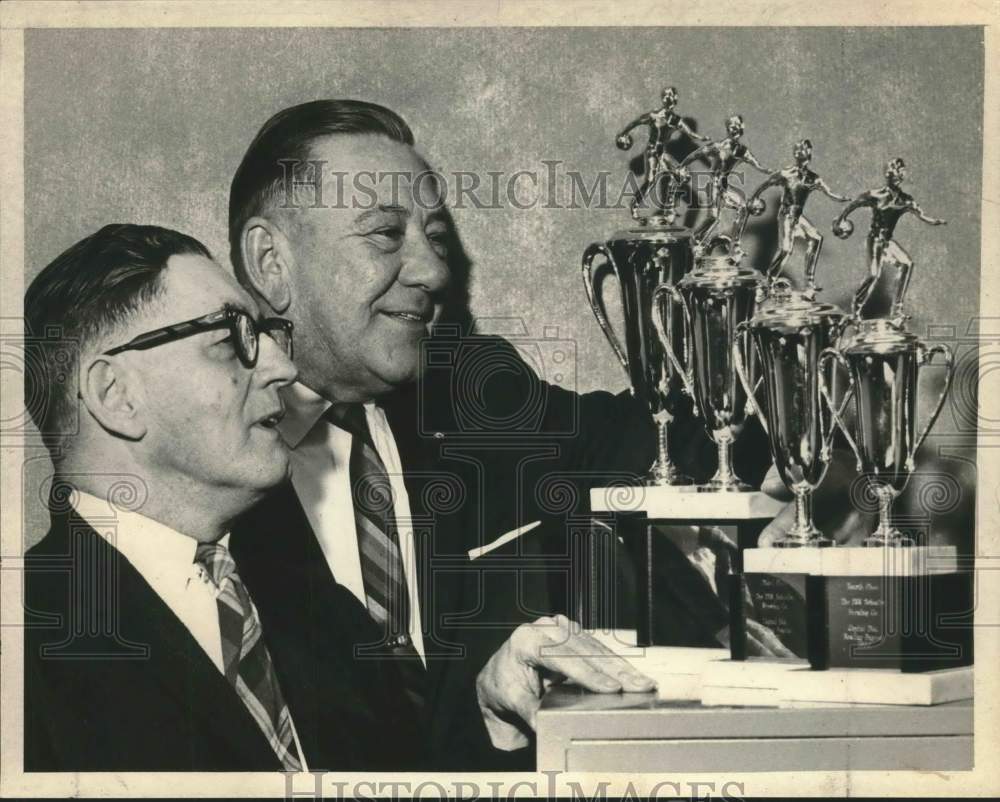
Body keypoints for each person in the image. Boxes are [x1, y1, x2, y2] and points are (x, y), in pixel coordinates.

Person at [227, 100, 658, 769]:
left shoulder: (478, 397)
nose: (433, 272)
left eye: (433, 236)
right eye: (385, 235)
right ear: (270, 263)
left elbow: (649, 442)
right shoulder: (201, 462)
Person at [21, 224, 435, 771]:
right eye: (229, 340)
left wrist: (493, 722)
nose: (283, 368)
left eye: (264, 336)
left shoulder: (323, 612)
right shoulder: (23, 653)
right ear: (115, 395)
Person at [833, 157, 946, 325]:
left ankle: (897, 309)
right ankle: (856, 307)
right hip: (875, 240)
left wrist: (935, 221)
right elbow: (854, 204)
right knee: (873, 274)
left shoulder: (905, 200)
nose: (891, 176)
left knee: (906, 263)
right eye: (890, 173)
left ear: (900, 177)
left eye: (895, 173)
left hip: (887, 242)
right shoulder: (875, 195)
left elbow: (921, 215)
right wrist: (841, 220)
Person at [743, 139, 850, 298]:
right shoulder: (787, 173)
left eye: (804, 149)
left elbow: (829, 193)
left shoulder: (813, 178)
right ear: (795, 154)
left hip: (798, 218)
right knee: (786, 249)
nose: (801, 152)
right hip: (786, 215)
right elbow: (765, 184)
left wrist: (843, 199)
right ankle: (768, 282)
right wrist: (753, 199)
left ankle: (810, 282)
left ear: (809, 153)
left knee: (816, 238)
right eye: (798, 149)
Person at [678, 114, 771, 251]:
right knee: (714, 218)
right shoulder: (717, 146)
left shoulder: (742, 151)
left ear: (741, 129)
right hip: (714, 186)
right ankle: (694, 240)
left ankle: (735, 245)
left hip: (724, 187)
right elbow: (696, 155)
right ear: (728, 128)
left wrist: (769, 171)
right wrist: (682, 165)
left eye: (738, 126)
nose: (735, 129)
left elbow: (757, 165)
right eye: (733, 126)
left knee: (743, 208)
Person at [615, 86, 708, 222]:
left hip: (662, 154)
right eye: (667, 96)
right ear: (663, 99)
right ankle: (634, 206)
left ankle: (669, 208)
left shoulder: (675, 120)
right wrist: (624, 134)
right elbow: (635, 123)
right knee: (650, 181)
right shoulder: (654, 116)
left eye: (672, 96)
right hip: (652, 152)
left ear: (675, 100)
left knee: (682, 174)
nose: (669, 98)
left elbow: (690, 133)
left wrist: (701, 138)